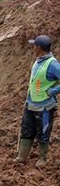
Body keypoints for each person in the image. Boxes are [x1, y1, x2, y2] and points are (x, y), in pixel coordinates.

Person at [15, 35, 60, 167]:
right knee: (27, 129)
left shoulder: (52, 64)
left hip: (45, 106)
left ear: (39, 48)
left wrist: (51, 92)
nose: (33, 47)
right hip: (31, 103)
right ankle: (22, 156)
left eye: (34, 45)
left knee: (43, 131)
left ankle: (43, 158)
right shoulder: (38, 60)